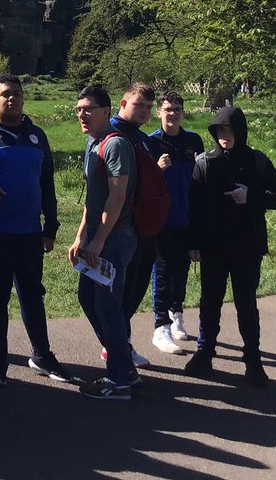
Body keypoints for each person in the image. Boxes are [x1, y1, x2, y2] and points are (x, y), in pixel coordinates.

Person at [0, 74, 72, 386]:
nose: (12, 99)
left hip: (30, 231)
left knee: (33, 295)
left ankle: (42, 355)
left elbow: (47, 183)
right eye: (5, 94)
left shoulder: (37, 136)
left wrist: (51, 226)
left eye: (17, 94)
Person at [184, 106, 276, 387]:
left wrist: (252, 196)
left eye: (229, 130)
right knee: (210, 303)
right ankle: (204, 354)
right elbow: (193, 207)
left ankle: (253, 363)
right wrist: (193, 243)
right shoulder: (204, 163)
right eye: (219, 130)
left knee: (246, 305)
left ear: (240, 131)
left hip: (247, 247)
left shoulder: (257, 161)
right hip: (213, 247)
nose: (224, 136)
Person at [70, 85, 138, 400]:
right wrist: (81, 236)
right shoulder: (93, 143)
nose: (82, 114)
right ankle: (123, 366)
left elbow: (117, 196)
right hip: (98, 236)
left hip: (114, 238)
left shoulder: (116, 145)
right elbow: (93, 199)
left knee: (108, 306)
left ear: (106, 111)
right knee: (88, 297)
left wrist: (98, 240)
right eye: (78, 109)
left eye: (88, 108)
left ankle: (119, 380)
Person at [107, 83, 165, 370]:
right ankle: (117, 348)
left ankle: (120, 343)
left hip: (145, 225)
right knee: (120, 292)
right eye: (138, 104)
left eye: (147, 107)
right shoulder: (114, 135)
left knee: (134, 289)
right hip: (123, 227)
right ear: (122, 103)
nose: (144, 111)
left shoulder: (143, 139)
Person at [147, 92, 206, 354]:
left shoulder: (193, 141)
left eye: (177, 109)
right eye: (168, 109)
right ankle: (160, 327)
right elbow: (141, 184)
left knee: (181, 270)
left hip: (188, 216)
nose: (173, 114)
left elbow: (203, 180)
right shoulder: (150, 143)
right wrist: (156, 169)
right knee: (161, 271)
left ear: (183, 112)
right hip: (160, 218)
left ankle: (176, 314)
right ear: (159, 112)